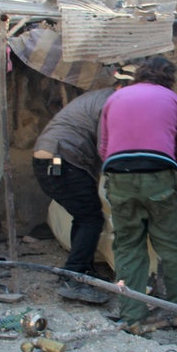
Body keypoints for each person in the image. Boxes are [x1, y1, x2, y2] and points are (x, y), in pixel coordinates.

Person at [99, 56, 177, 331]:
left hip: (118, 174)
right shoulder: (174, 100)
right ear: (169, 79)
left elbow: (104, 149)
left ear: (140, 75)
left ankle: (132, 316)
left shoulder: (114, 99)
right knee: (172, 244)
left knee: (128, 245)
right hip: (158, 173)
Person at [33, 64, 137, 304]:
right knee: (91, 217)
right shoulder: (114, 103)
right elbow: (107, 147)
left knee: (85, 215)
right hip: (61, 160)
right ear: (124, 86)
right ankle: (75, 276)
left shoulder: (106, 98)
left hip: (54, 159)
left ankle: (80, 269)